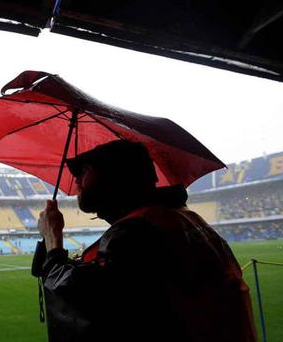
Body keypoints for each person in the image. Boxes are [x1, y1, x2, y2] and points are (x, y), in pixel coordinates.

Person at [35, 140, 257, 342]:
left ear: (114, 177)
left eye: (84, 171)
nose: (77, 180)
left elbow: (84, 297)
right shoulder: (183, 219)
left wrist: (53, 238)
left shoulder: (136, 232)